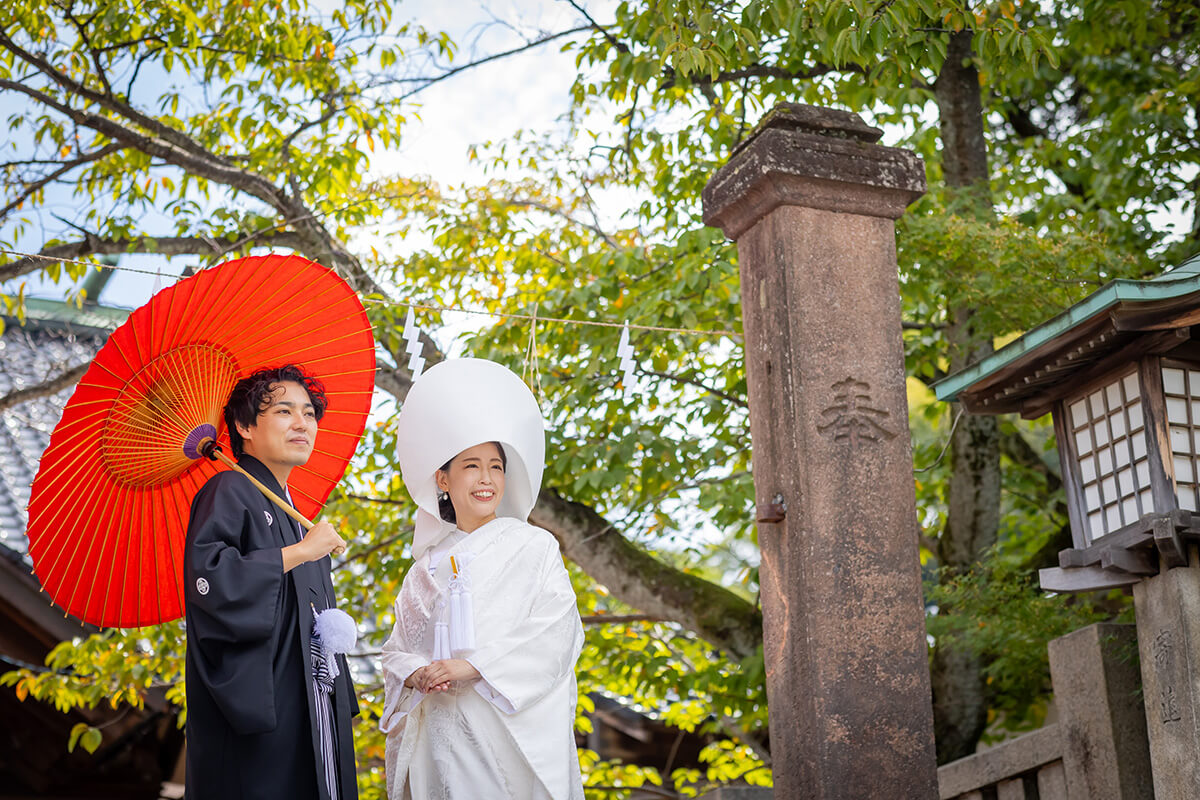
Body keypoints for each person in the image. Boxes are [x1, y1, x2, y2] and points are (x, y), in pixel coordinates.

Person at [380, 358, 585, 800]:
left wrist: (472, 667)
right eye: (471, 466)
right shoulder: (424, 568)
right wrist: (417, 672)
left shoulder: (533, 547)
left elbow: (555, 632)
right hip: (435, 731)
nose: (487, 478)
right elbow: (396, 650)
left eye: (496, 466)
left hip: (498, 729)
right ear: (443, 478)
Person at [184, 364, 359, 800]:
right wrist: (299, 552)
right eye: (284, 411)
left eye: (309, 413)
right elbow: (211, 579)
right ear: (244, 426)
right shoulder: (229, 489)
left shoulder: (296, 514)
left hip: (313, 693)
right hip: (266, 698)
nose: (302, 423)